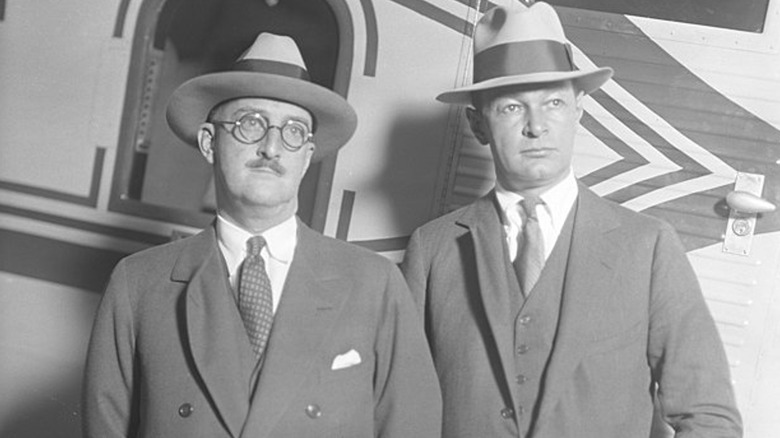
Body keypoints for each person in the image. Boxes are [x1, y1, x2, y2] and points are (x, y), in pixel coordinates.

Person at [401, 3, 741, 437]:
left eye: (554, 102)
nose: (536, 126)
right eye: (510, 107)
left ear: (579, 110)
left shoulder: (648, 246)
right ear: (477, 124)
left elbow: (709, 416)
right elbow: (401, 408)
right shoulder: (431, 250)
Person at [82, 33, 442, 438]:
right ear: (209, 143)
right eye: (250, 123)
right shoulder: (138, 284)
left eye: (292, 131)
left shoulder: (375, 285)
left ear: (306, 157)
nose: (271, 147)